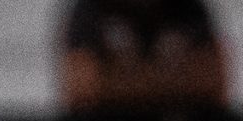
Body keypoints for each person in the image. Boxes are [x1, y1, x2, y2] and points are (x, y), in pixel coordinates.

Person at [59, 0, 228, 114]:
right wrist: (172, 80)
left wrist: (117, 79)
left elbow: (213, 82)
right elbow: (82, 89)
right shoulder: (92, 9)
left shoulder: (187, 9)